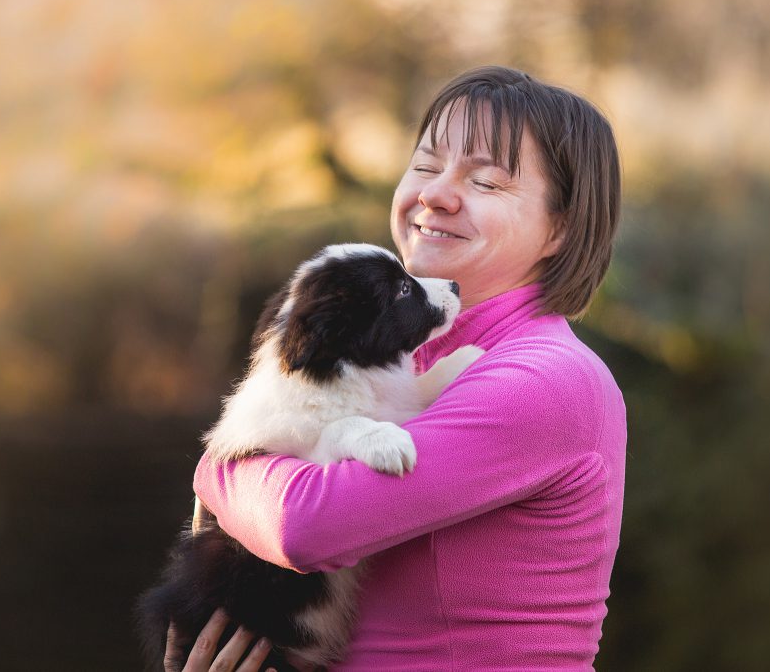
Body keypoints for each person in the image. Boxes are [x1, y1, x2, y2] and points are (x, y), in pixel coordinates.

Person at [179, 65, 625, 670]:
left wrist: (217, 469)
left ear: (561, 228)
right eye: (424, 164)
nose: (435, 194)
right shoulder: (402, 358)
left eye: (487, 182)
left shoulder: (545, 380)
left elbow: (306, 527)